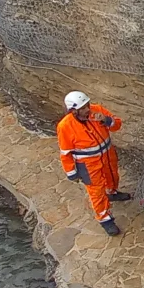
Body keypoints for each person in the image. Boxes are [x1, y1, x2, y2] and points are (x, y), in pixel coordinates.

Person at [57, 90, 131, 236]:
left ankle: (112, 192)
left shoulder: (97, 110)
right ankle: (105, 219)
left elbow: (117, 124)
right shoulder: (65, 126)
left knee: (113, 176)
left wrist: (106, 120)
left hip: (107, 154)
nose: (87, 110)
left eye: (87, 105)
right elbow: (65, 153)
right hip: (88, 164)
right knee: (96, 192)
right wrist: (72, 173)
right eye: (82, 108)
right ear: (73, 111)